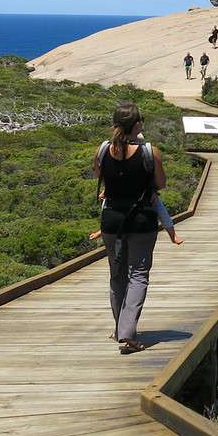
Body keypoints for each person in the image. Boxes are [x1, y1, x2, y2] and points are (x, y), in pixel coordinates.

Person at [93, 102, 166, 354]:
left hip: (112, 222)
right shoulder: (149, 151)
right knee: (138, 274)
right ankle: (127, 333)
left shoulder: (103, 149)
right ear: (137, 125)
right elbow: (160, 183)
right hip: (141, 221)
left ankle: (119, 328)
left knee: (117, 275)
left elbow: (99, 176)